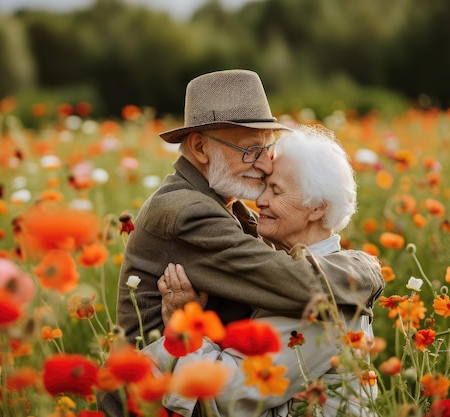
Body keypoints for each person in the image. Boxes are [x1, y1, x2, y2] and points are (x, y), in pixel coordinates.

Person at [99, 69, 383, 416]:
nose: (264, 163)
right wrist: (366, 270)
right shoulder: (189, 213)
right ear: (201, 148)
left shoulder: (222, 203)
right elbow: (293, 281)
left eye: (266, 148)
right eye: (250, 150)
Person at [150, 125, 381, 416]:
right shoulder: (291, 270)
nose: (260, 201)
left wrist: (183, 329)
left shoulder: (320, 298)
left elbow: (230, 393)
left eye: (275, 190)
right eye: (264, 187)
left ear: (316, 208)